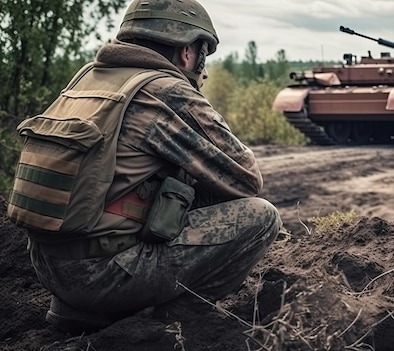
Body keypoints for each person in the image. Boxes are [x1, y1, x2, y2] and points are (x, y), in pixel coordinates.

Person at [8, 0, 282, 335]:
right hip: (99, 276)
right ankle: (168, 325)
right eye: (202, 54)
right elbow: (246, 178)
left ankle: (83, 310)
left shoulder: (88, 80)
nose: (204, 69)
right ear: (186, 52)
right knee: (261, 217)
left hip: (48, 266)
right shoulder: (166, 90)